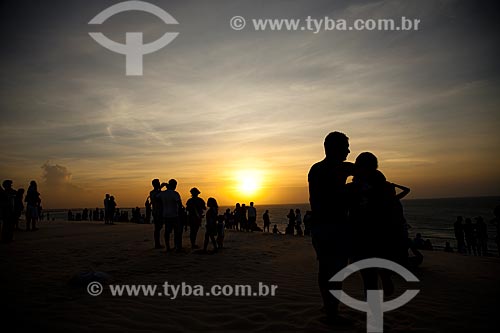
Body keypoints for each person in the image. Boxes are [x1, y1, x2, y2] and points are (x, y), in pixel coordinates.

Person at [308, 131, 354, 321]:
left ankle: (328, 306)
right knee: (335, 269)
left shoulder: (317, 168)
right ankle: (332, 312)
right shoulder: (331, 170)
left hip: (321, 226)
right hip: (331, 226)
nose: (348, 151)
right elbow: (327, 198)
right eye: (345, 147)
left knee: (325, 268)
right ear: (334, 149)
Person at [157, 179, 183, 252]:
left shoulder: (163, 193)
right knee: (177, 231)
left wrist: (160, 188)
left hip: (165, 215)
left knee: (167, 232)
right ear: (174, 185)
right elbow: (179, 204)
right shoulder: (175, 193)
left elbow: (156, 197)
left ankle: (168, 247)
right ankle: (176, 247)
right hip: (174, 215)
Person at [150, 179, 164, 248]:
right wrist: (160, 188)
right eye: (158, 183)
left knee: (159, 227)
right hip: (157, 212)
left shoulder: (157, 192)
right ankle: (157, 244)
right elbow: (156, 197)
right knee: (157, 228)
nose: (159, 184)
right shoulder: (153, 192)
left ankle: (157, 243)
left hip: (158, 212)